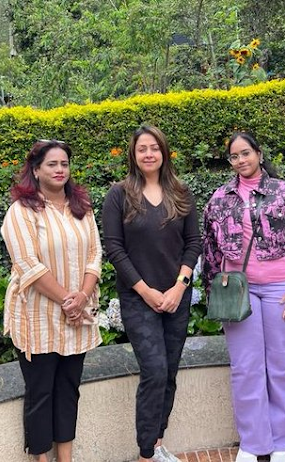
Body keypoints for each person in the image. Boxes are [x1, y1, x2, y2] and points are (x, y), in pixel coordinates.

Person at [202, 132, 285, 462]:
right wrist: (214, 291)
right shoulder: (219, 198)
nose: (241, 160)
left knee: (279, 366)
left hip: (281, 289)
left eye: (246, 153)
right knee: (245, 367)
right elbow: (209, 248)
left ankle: (280, 443)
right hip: (238, 291)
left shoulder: (284, 192)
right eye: (234, 156)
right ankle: (253, 443)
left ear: (259, 153)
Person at [102, 125, 202, 462]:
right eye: (142, 148)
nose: (148, 154)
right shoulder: (119, 195)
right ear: (133, 154)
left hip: (176, 298)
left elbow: (193, 243)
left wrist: (179, 286)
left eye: (154, 148)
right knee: (155, 370)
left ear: (164, 152)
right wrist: (146, 291)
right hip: (138, 299)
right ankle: (146, 453)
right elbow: (115, 249)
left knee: (169, 372)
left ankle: (157, 443)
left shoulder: (181, 192)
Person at [1, 139, 102, 462]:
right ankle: (42, 459)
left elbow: (95, 255)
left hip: (76, 318)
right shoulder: (21, 211)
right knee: (41, 392)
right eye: (52, 164)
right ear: (36, 170)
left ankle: (66, 458)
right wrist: (67, 300)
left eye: (64, 164)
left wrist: (82, 297)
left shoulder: (81, 207)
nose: (60, 170)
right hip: (38, 318)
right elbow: (28, 264)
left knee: (69, 390)